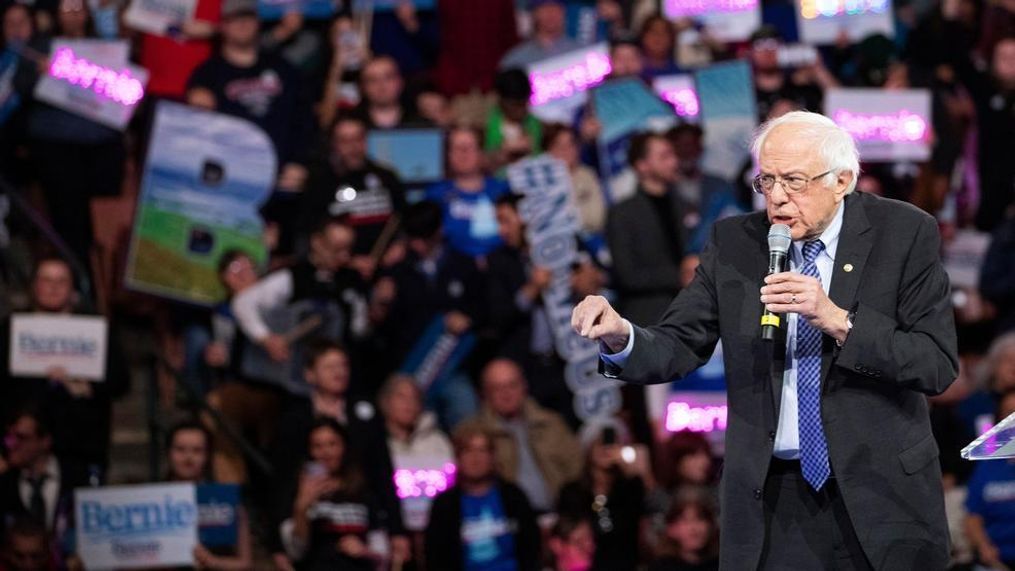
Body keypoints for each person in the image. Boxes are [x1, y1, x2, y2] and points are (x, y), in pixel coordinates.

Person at [572, 111, 959, 569]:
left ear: (843, 180)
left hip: (881, 491)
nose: (776, 197)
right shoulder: (736, 243)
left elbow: (934, 364)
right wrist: (621, 336)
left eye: (793, 181)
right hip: (774, 500)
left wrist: (837, 319)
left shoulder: (903, 234)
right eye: (766, 181)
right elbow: (678, 342)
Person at [269, 340, 408, 568]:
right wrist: (277, 544)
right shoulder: (294, 419)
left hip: (361, 514)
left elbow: (383, 473)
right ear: (310, 374)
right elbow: (282, 482)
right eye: (330, 366)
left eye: (343, 365)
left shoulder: (365, 412)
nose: (340, 372)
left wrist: (397, 530)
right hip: (312, 522)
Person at [0, 257, 129, 473]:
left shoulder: (95, 329)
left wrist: (86, 387)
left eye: (61, 281)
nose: (53, 287)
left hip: (81, 444)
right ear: (34, 286)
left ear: (72, 288)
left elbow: (120, 382)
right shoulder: (11, 328)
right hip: (22, 446)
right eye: (46, 280)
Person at [185, 0, 314, 197]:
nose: (243, 24)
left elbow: (304, 120)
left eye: (248, 17)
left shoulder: (284, 69)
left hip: (280, 177)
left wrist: (299, 162)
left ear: (258, 22)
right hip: (229, 178)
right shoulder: (207, 75)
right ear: (222, 26)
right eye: (235, 19)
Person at [371, 200, 484, 425]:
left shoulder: (464, 265)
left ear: (439, 230)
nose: (418, 244)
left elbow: (484, 309)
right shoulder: (396, 270)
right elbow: (379, 325)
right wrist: (381, 302)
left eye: (423, 237)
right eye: (413, 238)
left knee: (466, 411)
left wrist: (468, 318)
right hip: (409, 367)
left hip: (451, 365)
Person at [231, 216, 369, 392]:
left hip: (334, 385)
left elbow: (359, 328)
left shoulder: (352, 281)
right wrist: (266, 338)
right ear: (317, 242)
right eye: (336, 249)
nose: (344, 257)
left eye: (348, 250)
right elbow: (244, 303)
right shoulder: (294, 276)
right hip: (292, 381)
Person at [459, 358, 583, 514]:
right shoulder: (474, 434)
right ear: (484, 394)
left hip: (560, 515)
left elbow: (577, 471)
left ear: (524, 386)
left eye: (512, 385)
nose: (507, 394)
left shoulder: (551, 424)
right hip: (506, 522)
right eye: (497, 388)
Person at [298, 115, 407, 277]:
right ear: (334, 145)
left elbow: (404, 221)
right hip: (338, 273)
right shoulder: (320, 183)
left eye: (358, 139)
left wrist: (400, 245)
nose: (353, 148)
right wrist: (348, 262)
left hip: (388, 270)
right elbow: (309, 237)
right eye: (345, 141)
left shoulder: (387, 177)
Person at [424, 423, 541, 571]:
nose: (476, 458)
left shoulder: (514, 497)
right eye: (468, 451)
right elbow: (436, 558)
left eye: (482, 450)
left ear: (493, 457)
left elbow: (531, 549)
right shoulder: (445, 505)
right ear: (458, 458)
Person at [606, 132, 692, 328]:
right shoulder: (623, 213)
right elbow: (627, 274)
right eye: (664, 156)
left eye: (673, 155)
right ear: (642, 165)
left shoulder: (683, 205)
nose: (673, 162)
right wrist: (678, 275)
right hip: (648, 320)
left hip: (689, 314)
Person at [279, 418, 383, 571]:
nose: (326, 453)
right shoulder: (296, 491)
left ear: (344, 447)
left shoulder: (363, 493)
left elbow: (382, 553)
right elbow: (296, 552)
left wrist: (364, 551)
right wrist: (301, 507)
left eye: (332, 444)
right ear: (310, 451)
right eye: (318, 446)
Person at [557, 420, 651, 571]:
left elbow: (649, 517)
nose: (606, 448)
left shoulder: (631, 486)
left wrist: (634, 470)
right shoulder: (572, 492)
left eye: (611, 442)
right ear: (588, 448)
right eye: (599, 443)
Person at [163, 421, 253, 570]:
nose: (188, 457)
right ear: (168, 452)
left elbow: (245, 563)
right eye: (180, 449)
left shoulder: (226, 501)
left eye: (197, 450)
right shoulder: (150, 500)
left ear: (207, 455)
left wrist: (213, 562)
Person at [377, 374, 454, 533]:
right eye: (401, 397)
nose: (409, 404)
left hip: (438, 528)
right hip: (394, 529)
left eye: (414, 398)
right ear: (385, 402)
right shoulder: (375, 444)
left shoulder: (439, 441)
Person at [0, 408, 86, 540]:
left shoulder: (78, 477)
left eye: (21, 437)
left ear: (45, 441)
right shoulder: (5, 482)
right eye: (9, 437)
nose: (11, 444)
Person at [425, 126, 510, 257]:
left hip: (501, 264)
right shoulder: (435, 195)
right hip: (454, 266)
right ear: (448, 155)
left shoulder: (503, 190)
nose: (463, 153)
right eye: (457, 148)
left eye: (469, 147)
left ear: (481, 153)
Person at [963, 389, 1015, 570]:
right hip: (995, 561)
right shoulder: (987, 465)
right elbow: (973, 517)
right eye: (1009, 415)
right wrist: (984, 547)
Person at [543, 123, 606, 235]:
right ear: (548, 152)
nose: (567, 151)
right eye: (560, 147)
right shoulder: (543, 185)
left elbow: (598, 217)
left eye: (571, 144)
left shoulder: (587, 174)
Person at [486, 69, 543, 173]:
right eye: (514, 105)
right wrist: (503, 152)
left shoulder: (533, 123)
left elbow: (538, 160)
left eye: (523, 104)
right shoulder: (488, 124)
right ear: (501, 100)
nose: (520, 111)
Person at [348, 56, 429, 129]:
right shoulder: (349, 125)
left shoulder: (422, 125)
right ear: (362, 87)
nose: (382, 86)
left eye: (388, 78)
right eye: (372, 80)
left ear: (400, 82)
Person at [648, 489, 720, 571]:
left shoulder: (721, 565)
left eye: (700, 519)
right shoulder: (661, 567)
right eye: (686, 520)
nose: (694, 528)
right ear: (671, 528)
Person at [499, 0, 580, 70]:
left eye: (556, 7)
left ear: (564, 12)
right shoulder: (515, 60)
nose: (550, 13)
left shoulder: (581, 55)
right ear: (534, 13)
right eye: (544, 8)